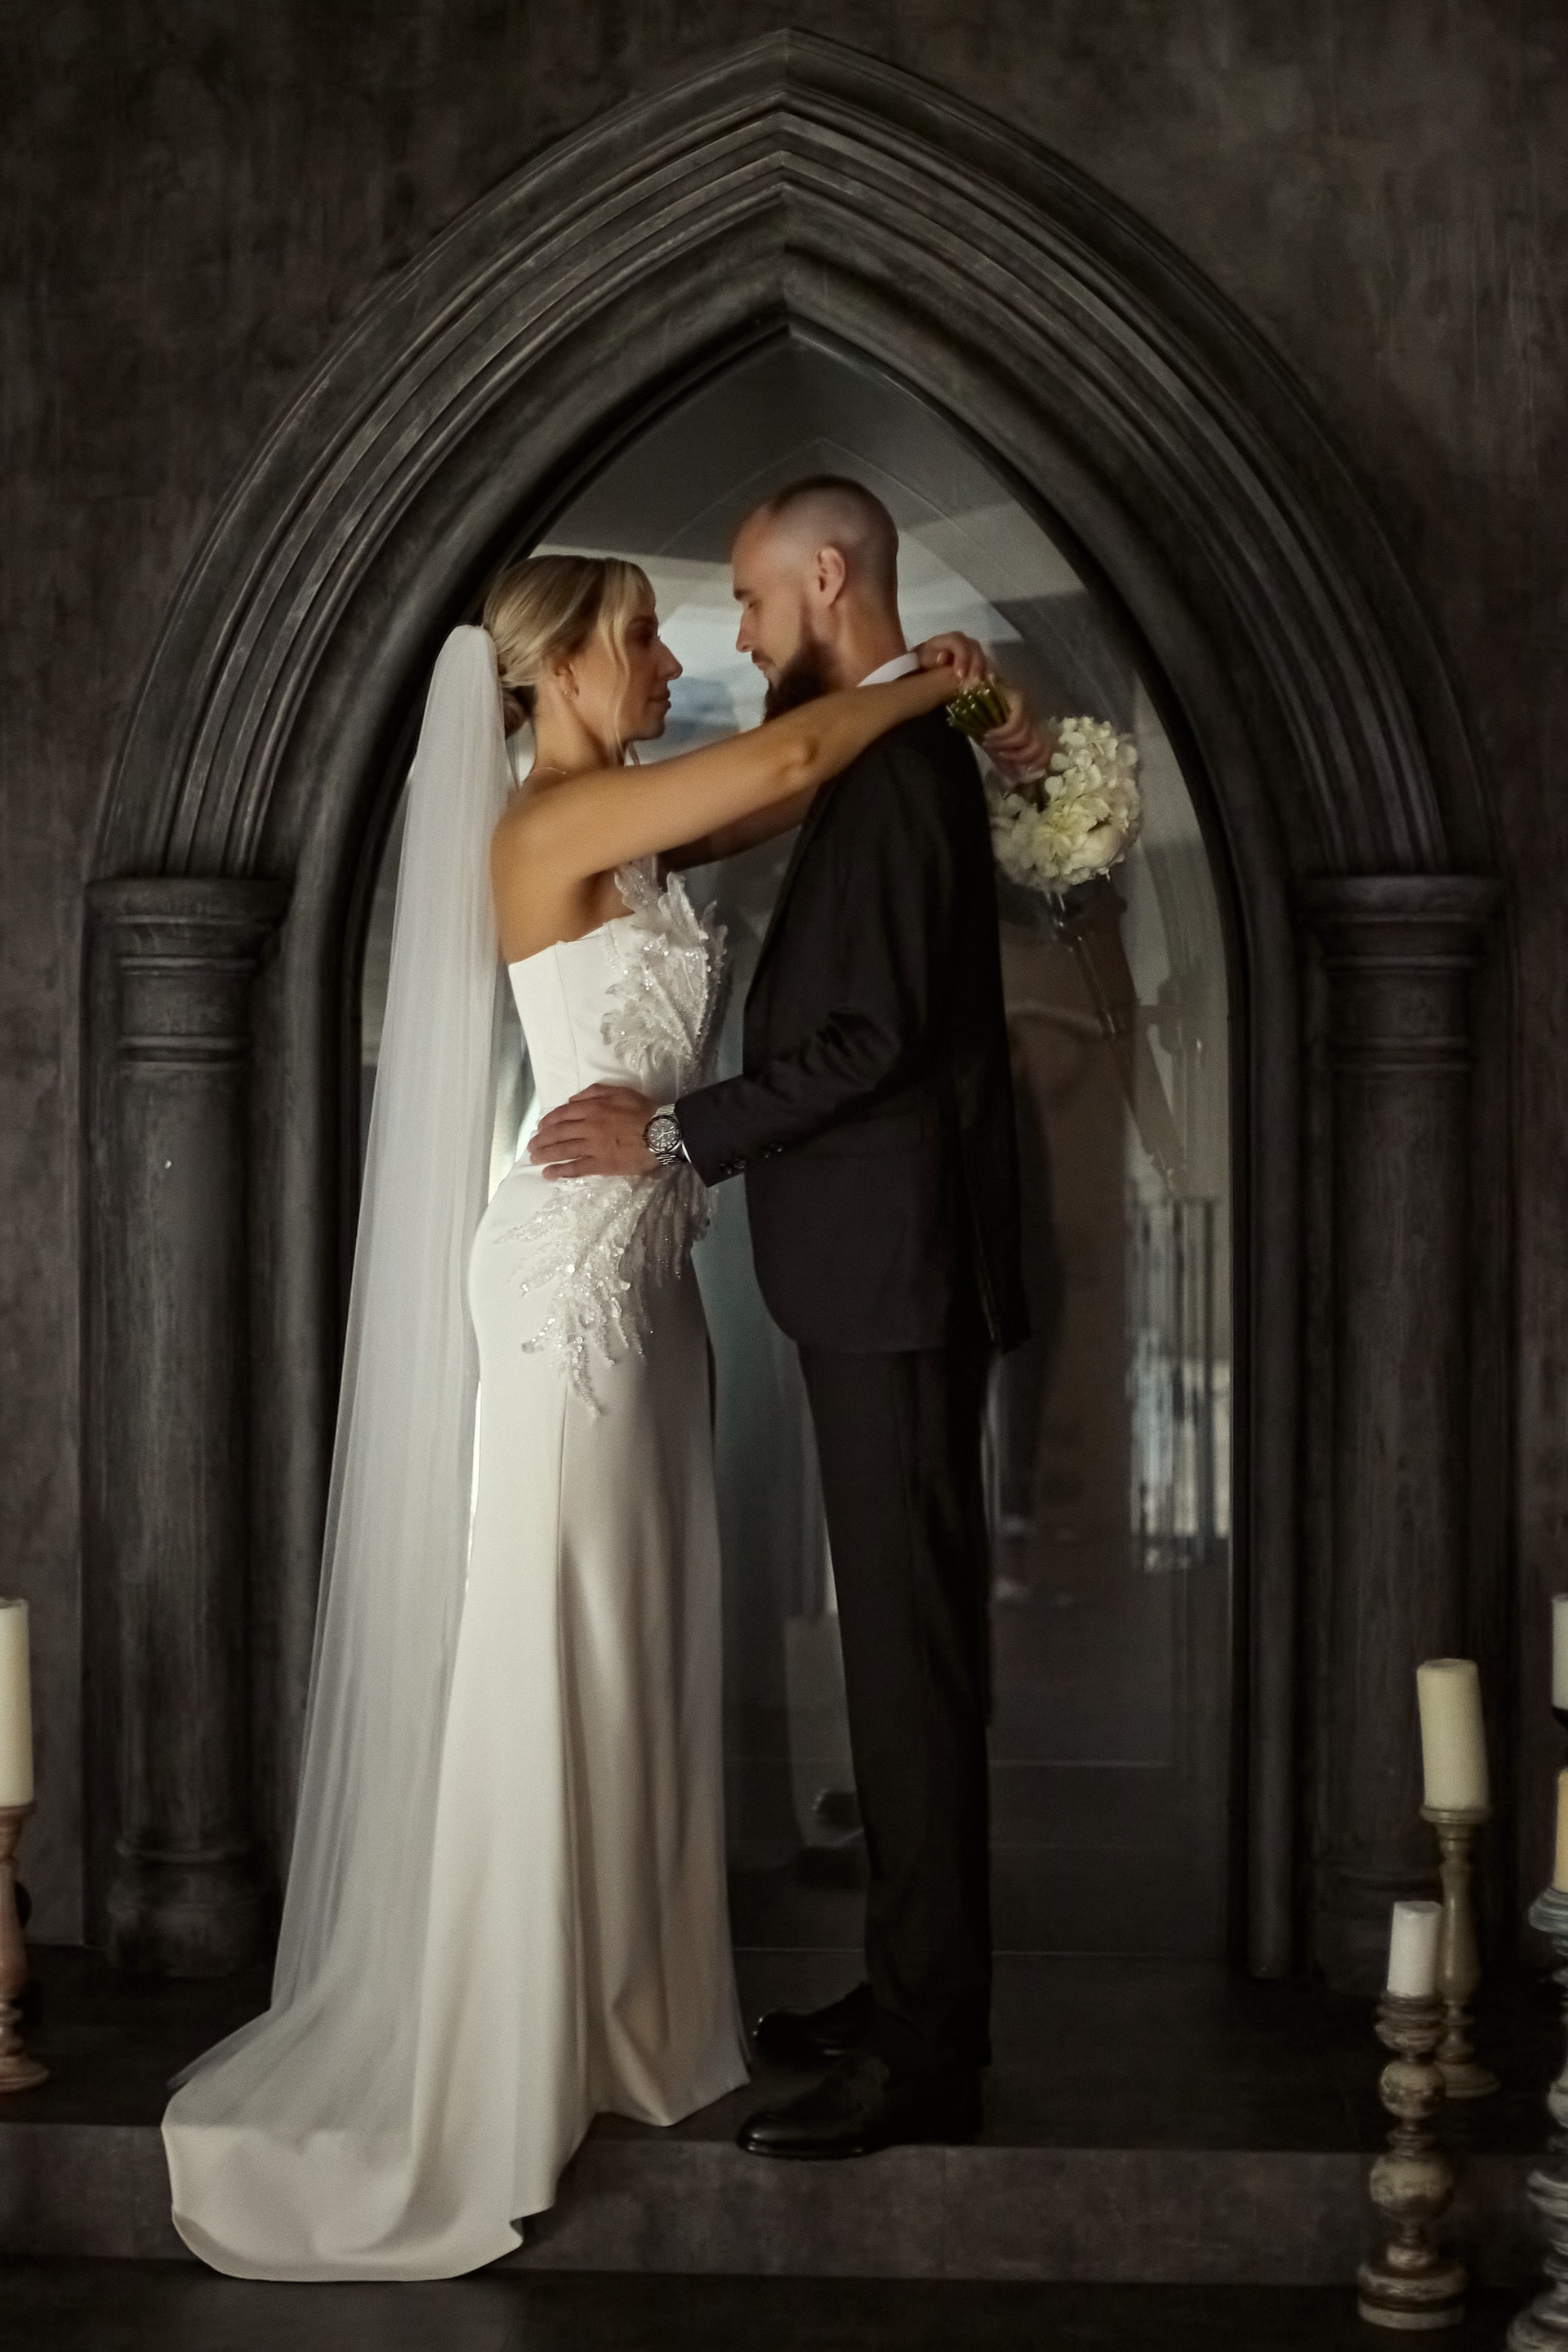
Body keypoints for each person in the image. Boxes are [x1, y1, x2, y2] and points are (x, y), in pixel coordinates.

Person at [160, 550, 991, 2280]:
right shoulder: (549, 827)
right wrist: (937, 682)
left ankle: (628, 2010)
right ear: (552, 673)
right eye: (639, 638)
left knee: (639, 1641)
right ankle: (512, 2042)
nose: (670, 659)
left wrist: (925, 712)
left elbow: (796, 786)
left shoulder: (641, 828)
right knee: (559, 1638)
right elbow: (789, 758)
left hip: (654, 1289)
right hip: (567, 1299)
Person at [529, 479, 1036, 2159]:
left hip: (899, 1276)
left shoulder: (897, 762)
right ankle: (907, 1995)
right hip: (875, 1271)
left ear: (827, 578)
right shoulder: (876, 751)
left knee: (910, 1669)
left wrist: (676, 1134)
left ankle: (929, 2054)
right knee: (895, 1660)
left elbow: (871, 1041)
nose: (735, 637)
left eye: (748, 602)